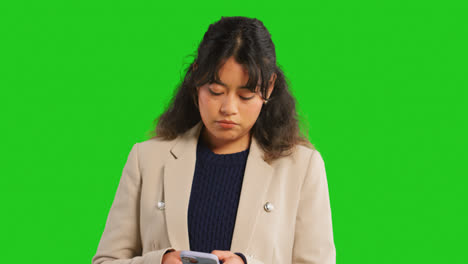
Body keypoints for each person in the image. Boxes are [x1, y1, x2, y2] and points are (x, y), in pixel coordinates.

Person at [92, 16, 336, 264]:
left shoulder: (302, 167)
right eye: (215, 91)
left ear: (269, 88)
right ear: (196, 77)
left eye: (246, 95)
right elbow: (105, 261)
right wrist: (158, 261)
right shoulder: (146, 159)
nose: (228, 108)